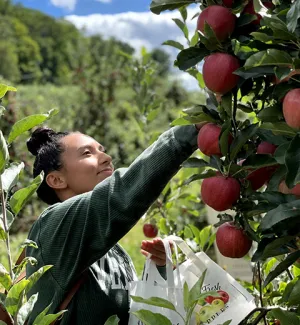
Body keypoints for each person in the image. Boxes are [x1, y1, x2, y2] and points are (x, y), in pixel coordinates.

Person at [25, 123, 202, 325]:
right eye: (86, 153)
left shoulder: (116, 253)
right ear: (56, 179)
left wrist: (160, 270)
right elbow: (118, 195)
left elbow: (136, 315)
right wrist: (185, 137)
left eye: (103, 150)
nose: (107, 158)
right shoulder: (53, 226)